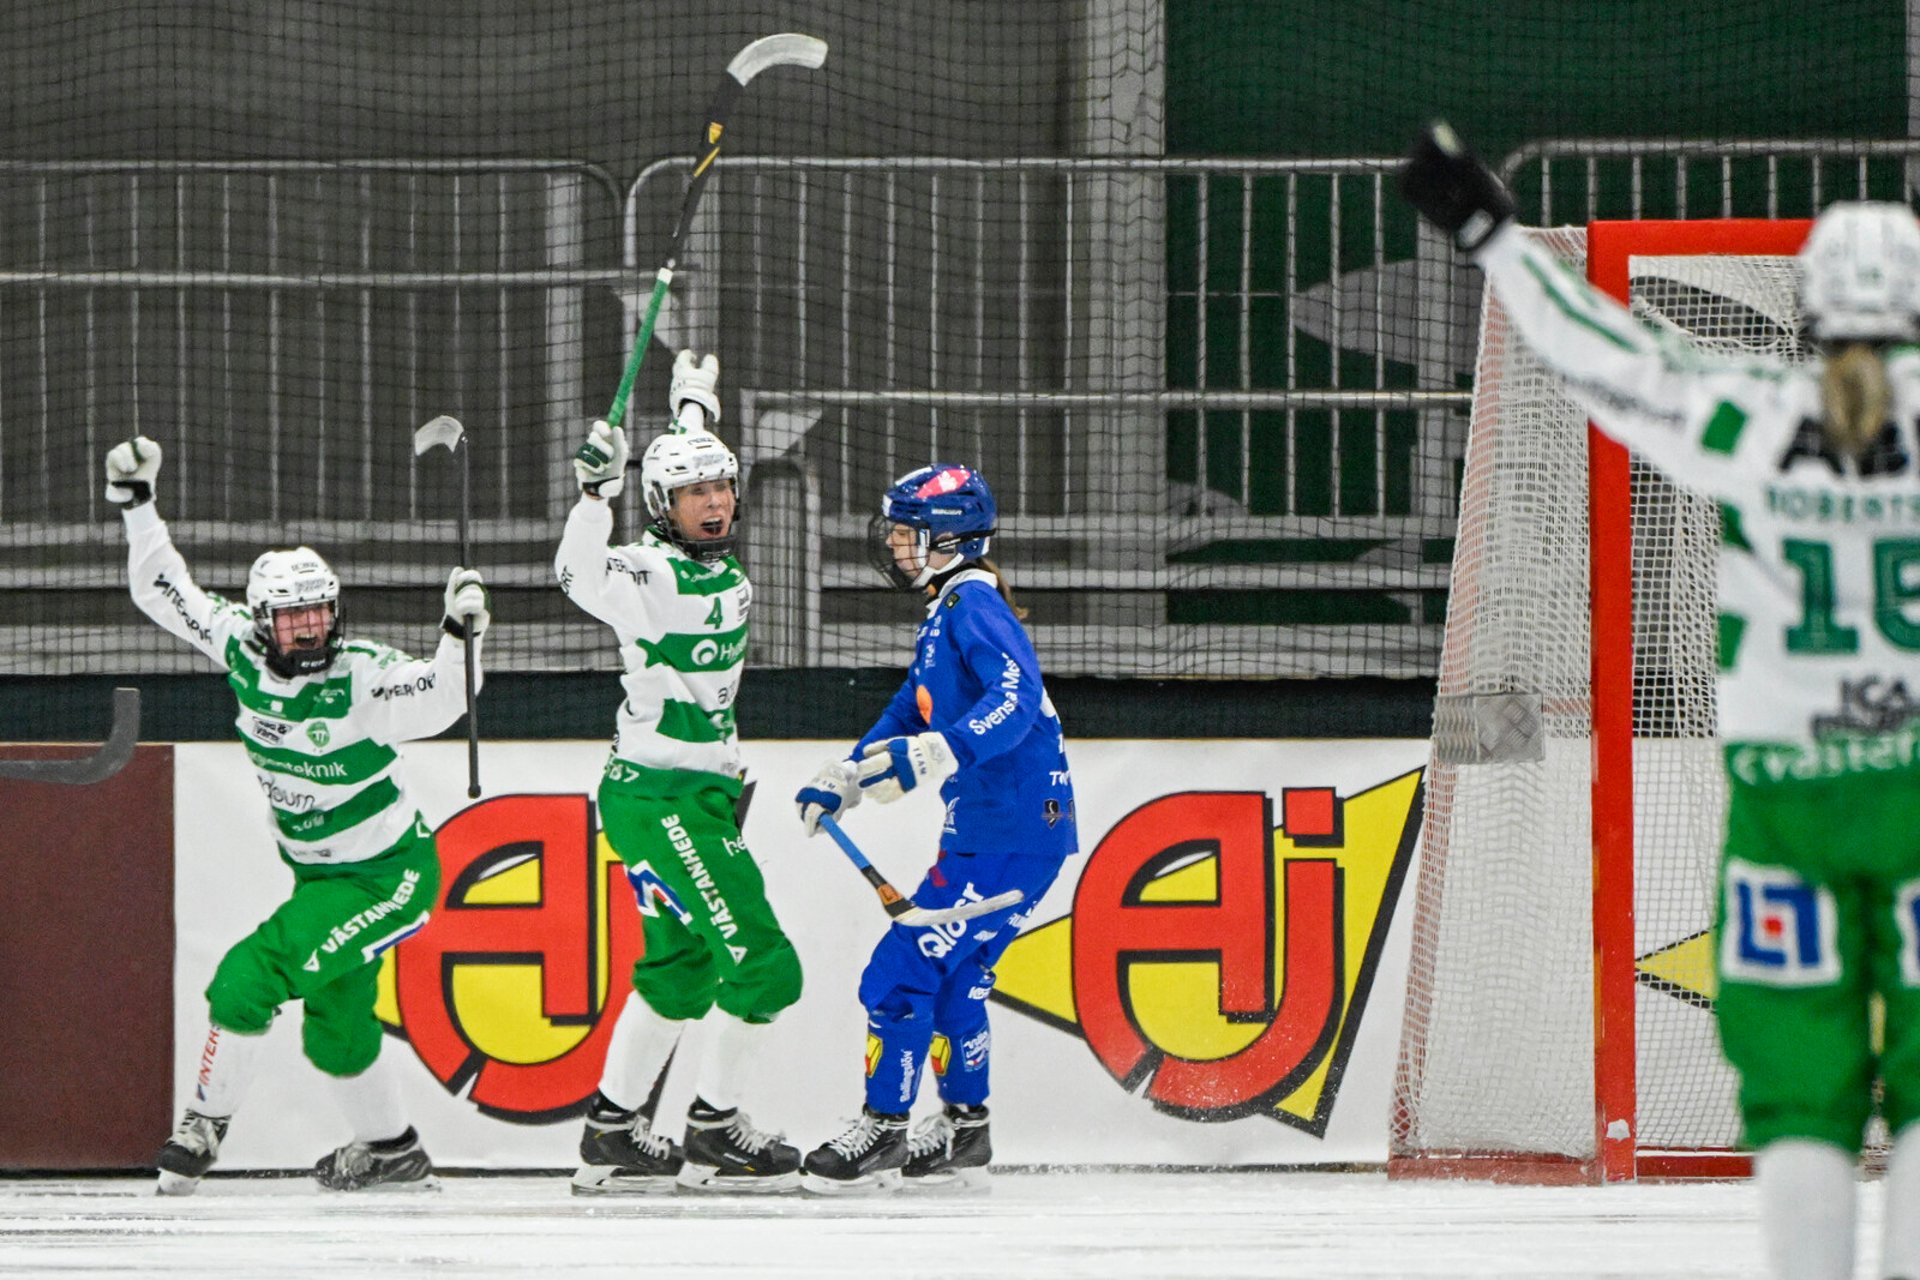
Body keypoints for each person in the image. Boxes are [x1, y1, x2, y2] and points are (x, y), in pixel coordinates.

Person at [1401, 123, 1920, 1280]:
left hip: (1790, 802)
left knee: (1801, 1093)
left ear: (1811, 311)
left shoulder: (1761, 415)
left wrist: (1491, 230)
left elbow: (1604, 351)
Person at [104, 435, 489, 1195]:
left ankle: (202, 1128)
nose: (311, 629)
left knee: (251, 976)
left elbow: (446, 699)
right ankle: (394, 1153)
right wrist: (138, 504)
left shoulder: (365, 677)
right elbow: (163, 590)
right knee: (336, 1028)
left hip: (390, 877)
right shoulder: (239, 652)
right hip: (320, 882)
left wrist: (460, 635)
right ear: (260, 623)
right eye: (292, 618)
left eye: (320, 612)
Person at [556, 350, 804, 1193]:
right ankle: (714, 1130)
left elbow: (693, 458)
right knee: (768, 967)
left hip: (695, 795)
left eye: (724, 488)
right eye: (696, 493)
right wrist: (594, 497)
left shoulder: (720, 566)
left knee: (682, 968)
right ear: (661, 505)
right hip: (661, 799)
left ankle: (612, 1132)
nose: (716, 502)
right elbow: (575, 573)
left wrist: (691, 403)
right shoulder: (648, 573)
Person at [792, 463, 1078, 1193]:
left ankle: (883, 1131)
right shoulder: (948, 611)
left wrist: (943, 750)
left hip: (1010, 832)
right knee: (955, 982)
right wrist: (846, 775)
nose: (892, 545)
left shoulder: (974, 604)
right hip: (1001, 832)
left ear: (947, 541)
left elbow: (1016, 697)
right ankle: (963, 1130)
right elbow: (911, 708)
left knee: (899, 973)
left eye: (903, 532)